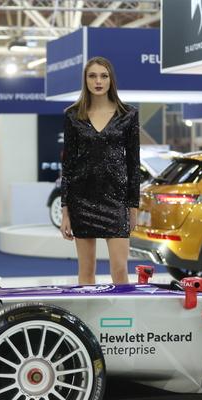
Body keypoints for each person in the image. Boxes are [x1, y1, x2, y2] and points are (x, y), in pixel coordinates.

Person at [60, 56, 140, 285]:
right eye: (92, 76)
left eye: (104, 76)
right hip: (81, 200)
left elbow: (134, 164)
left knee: (120, 270)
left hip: (116, 201)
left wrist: (133, 207)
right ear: (85, 80)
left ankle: (123, 310)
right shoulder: (73, 115)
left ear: (111, 80)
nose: (98, 81)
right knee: (86, 271)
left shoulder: (128, 114)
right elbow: (68, 165)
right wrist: (65, 211)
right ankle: (87, 310)